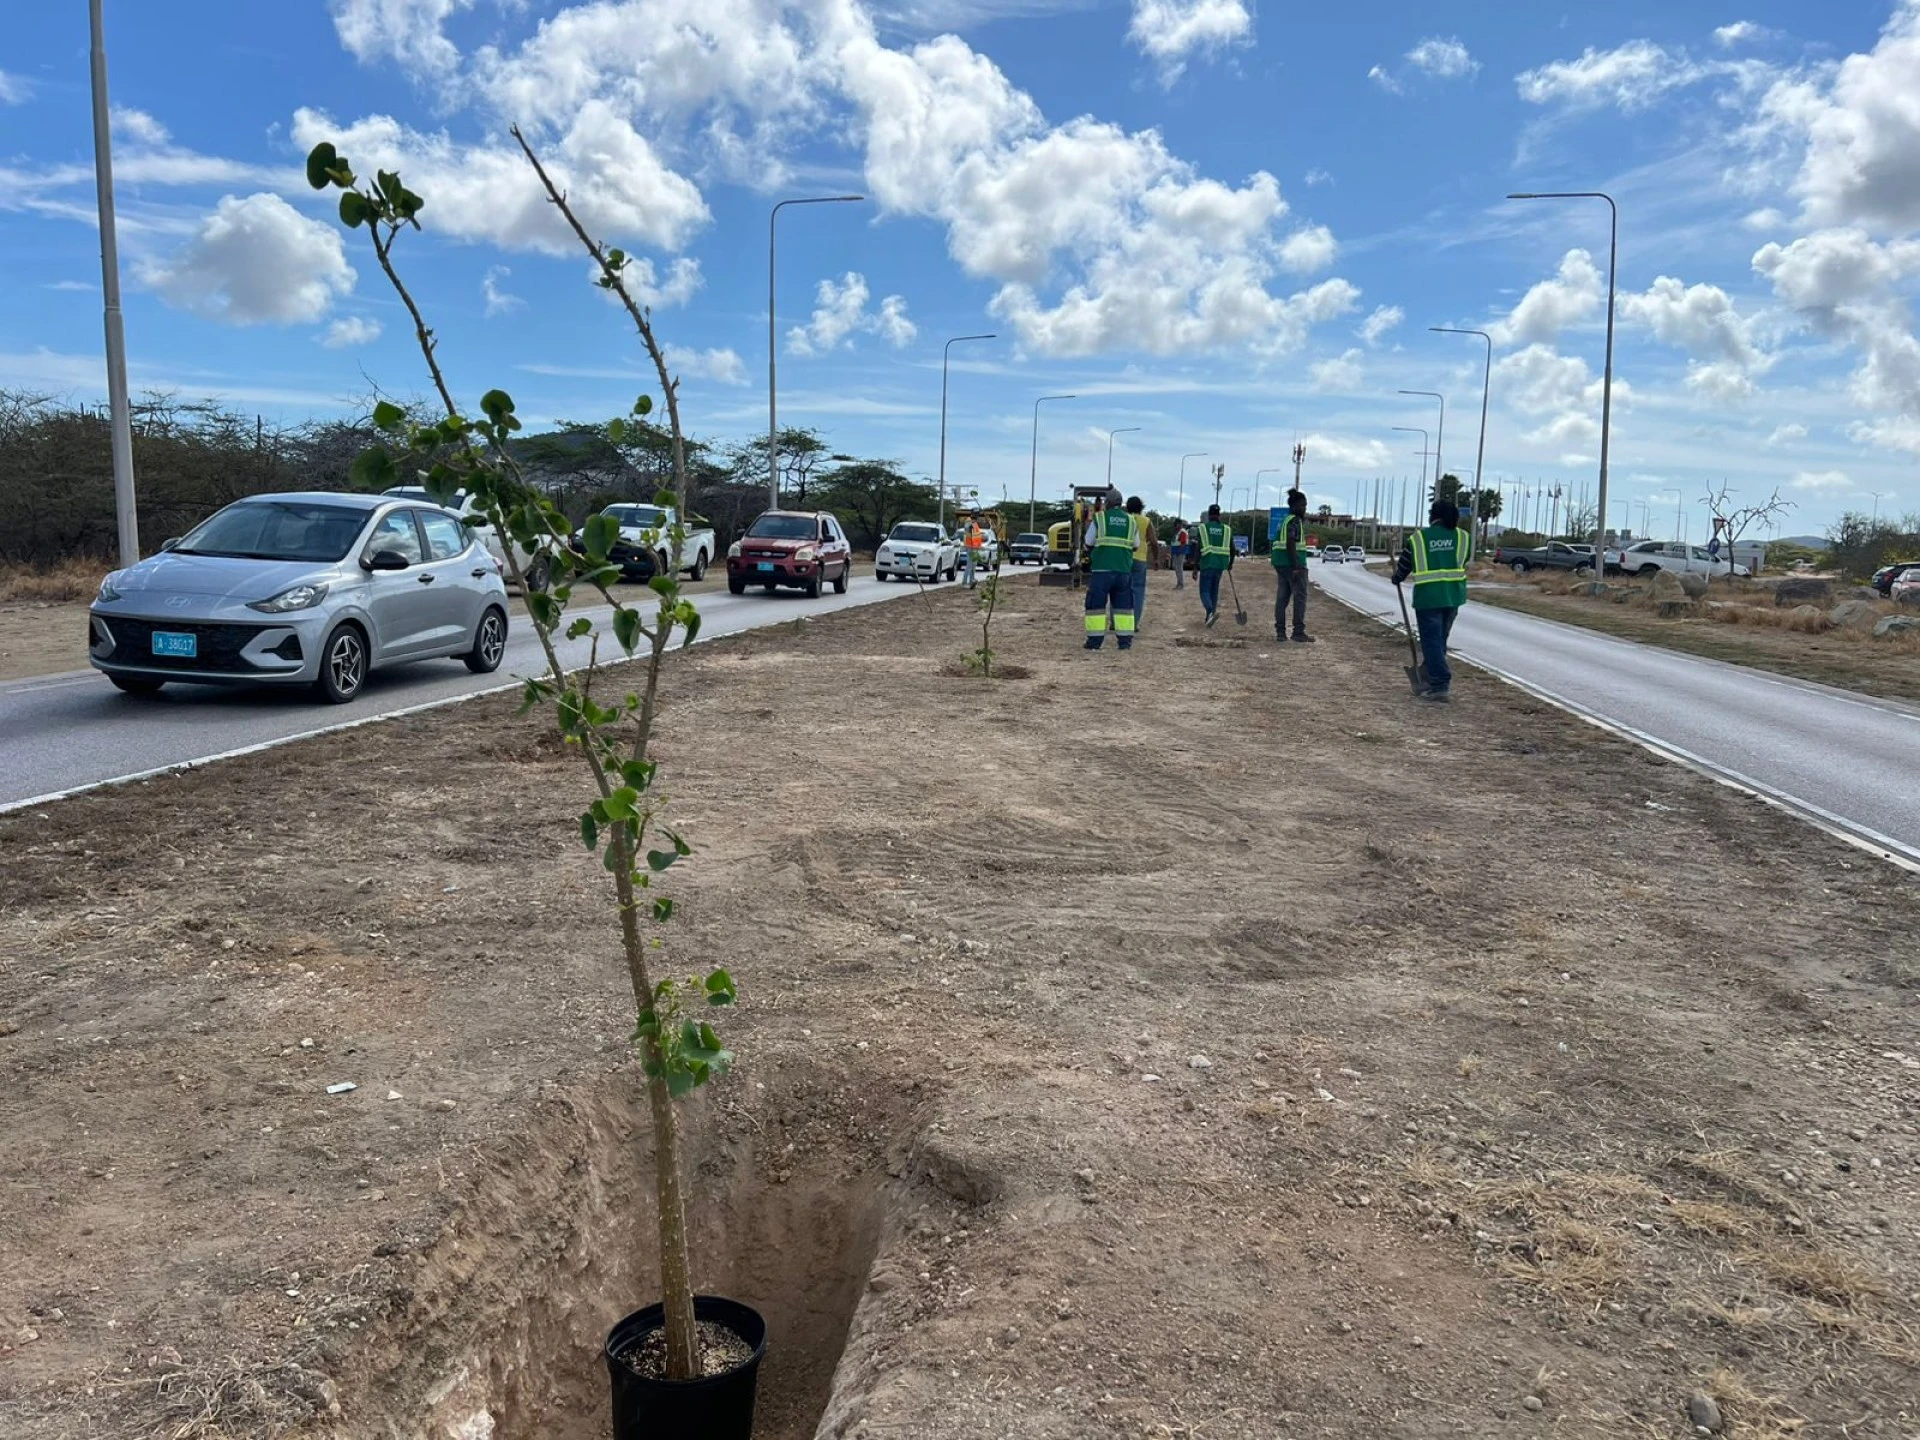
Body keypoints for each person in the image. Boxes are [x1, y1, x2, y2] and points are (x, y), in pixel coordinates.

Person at [1391, 497, 1473, 702]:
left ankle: (1440, 683)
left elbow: (1405, 564)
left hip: (1428, 598)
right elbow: (1461, 562)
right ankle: (1429, 677)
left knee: (1432, 642)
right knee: (1440, 641)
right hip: (1453, 596)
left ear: (1433, 516)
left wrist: (1397, 577)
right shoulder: (1463, 537)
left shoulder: (1419, 538)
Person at [1083, 496, 1137, 650]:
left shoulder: (1100, 518)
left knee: (1096, 607)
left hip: (1102, 570)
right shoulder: (1131, 521)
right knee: (1123, 608)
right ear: (1121, 504)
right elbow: (1136, 544)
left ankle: (1094, 642)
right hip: (1123, 571)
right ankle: (1125, 642)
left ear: (1107, 503)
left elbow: (1088, 541)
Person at [1271, 488, 1312, 643]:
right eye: (1303, 505)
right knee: (1300, 597)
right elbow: (1290, 543)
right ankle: (1298, 632)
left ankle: (1280, 633)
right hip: (1293, 565)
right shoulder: (1295, 521)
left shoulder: (1284, 521)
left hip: (1280, 563)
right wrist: (1296, 566)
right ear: (1294, 505)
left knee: (1282, 598)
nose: (1304, 509)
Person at [1194, 504, 1232, 627]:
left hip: (1207, 564)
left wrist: (1195, 567)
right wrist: (1230, 564)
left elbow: (1198, 548)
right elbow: (1233, 548)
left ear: (1209, 515)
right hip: (1220, 566)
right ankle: (1209, 617)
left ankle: (1210, 611)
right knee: (1214, 592)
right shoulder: (1226, 529)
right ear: (1219, 515)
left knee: (1204, 591)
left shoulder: (1203, 528)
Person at [1125, 495, 1155, 636]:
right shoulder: (1146, 521)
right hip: (1141, 558)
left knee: (1120, 589)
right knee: (1138, 592)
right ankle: (1134, 623)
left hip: (1124, 558)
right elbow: (1154, 542)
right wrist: (1155, 559)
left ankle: (1114, 620)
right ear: (1141, 508)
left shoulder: (1125, 519)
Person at [963, 518, 984, 588]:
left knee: (973, 566)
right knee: (969, 566)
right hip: (970, 547)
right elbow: (967, 530)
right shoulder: (969, 521)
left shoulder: (975, 524)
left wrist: (978, 546)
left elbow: (977, 536)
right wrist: (970, 527)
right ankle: (964, 582)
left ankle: (971, 581)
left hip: (975, 548)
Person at [1172, 522, 1190, 589]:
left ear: (1179, 525)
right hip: (1176, 552)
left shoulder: (1182, 532)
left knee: (1179, 568)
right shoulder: (1178, 532)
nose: (1175, 527)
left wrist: (1178, 552)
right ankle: (1179, 583)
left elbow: (1183, 543)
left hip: (1180, 552)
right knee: (1176, 568)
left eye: (1176, 525)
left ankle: (1180, 584)